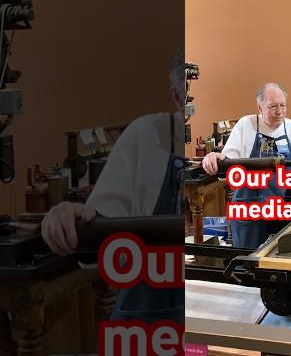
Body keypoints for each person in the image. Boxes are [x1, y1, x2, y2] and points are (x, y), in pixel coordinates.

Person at [41, 48, 186, 324]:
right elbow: (101, 228)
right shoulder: (146, 135)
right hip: (151, 327)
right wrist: (72, 216)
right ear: (176, 97)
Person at [202, 83, 291, 249]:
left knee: (281, 264)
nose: (279, 111)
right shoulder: (246, 125)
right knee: (247, 264)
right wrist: (214, 157)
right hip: (249, 212)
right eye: (273, 106)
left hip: (284, 210)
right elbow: (228, 158)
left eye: (283, 105)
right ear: (259, 107)